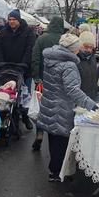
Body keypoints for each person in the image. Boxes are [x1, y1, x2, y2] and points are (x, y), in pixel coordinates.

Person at [37, 33, 98, 181]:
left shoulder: (50, 58)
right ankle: (57, 172)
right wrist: (90, 104)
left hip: (49, 103)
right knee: (62, 141)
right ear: (73, 49)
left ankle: (54, 170)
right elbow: (72, 90)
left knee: (53, 137)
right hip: (62, 107)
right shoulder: (69, 65)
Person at [0, 8, 36, 130]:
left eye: (14, 19)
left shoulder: (28, 32)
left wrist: (24, 63)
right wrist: (0, 62)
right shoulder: (3, 32)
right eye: (9, 19)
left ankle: (25, 116)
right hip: (6, 68)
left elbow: (30, 49)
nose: (11, 22)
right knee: (7, 94)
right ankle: (4, 116)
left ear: (19, 20)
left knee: (24, 96)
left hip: (23, 70)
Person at [30, 16, 65, 151]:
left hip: (44, 80)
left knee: (42, 108)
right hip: (60, 82)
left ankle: (39, 134)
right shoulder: (64, 39)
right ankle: (54, 135)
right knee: (56, 109)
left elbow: (35, 58)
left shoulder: (42, 39)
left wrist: (36, 77)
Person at [78, 29, 98, 100]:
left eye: (91, 47)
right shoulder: (75, 59)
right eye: (86, 46)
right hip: (79, 100)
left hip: (91, 98)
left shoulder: (93, 58)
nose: (89, 50)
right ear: (80, 45)